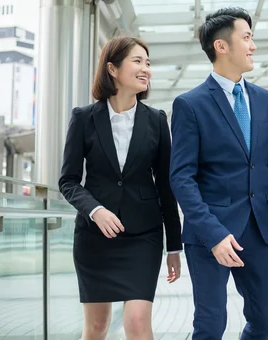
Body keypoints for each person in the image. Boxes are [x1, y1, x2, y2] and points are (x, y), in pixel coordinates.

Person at [169, 7, 268, 340]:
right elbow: (181, 178)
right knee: (211, 325)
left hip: (257, 231)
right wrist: (213, 235)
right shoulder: (190, 104)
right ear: (221, 46)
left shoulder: (263, 99)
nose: (253, 45)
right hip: (210, 234)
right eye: (246, 37)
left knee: (266, 318)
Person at [58, 36, 182, 340]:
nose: (146, 69)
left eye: (148, 63)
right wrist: (95, 210)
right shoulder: (84, 118)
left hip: (143, 237)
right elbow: (68, 181)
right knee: (97, 327)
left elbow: (166, 186)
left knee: (137, 323)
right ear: (112, 69)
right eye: (137, 61)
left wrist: (175, 245)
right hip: (94, 238)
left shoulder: (156, 120)